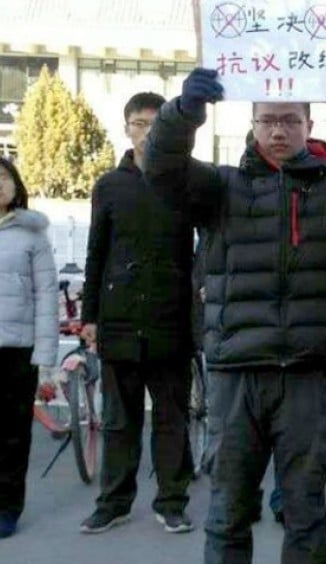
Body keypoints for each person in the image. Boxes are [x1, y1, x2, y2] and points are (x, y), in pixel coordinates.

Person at [143, 68, 326, 564]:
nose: (279, 130)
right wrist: (184, 111)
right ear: (252, 125)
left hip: (305, 374)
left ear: (308, 126)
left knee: (305, 506)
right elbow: (161, 167)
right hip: (235, 373)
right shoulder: (219, 188)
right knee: (229, 506)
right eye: (268, 120)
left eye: (290, 120)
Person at [78, 92, 197, 535]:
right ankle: (114, 501)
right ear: (127, 127)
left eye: (156, 123)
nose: (147, 132)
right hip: (120, 317)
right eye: (139, 123)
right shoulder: (110, 185)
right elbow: (96, 254)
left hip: (171, 318)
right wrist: (90, 316)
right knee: (118, 419)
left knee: (171, 417)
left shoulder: (186, 183)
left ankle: (172, 500)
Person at [0, 157, 57, 538]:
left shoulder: (32, 235)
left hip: (16, 349)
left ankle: (6, 508)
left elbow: (47, 296)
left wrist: (46, 358)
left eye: (4, 178)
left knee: (12, 434)